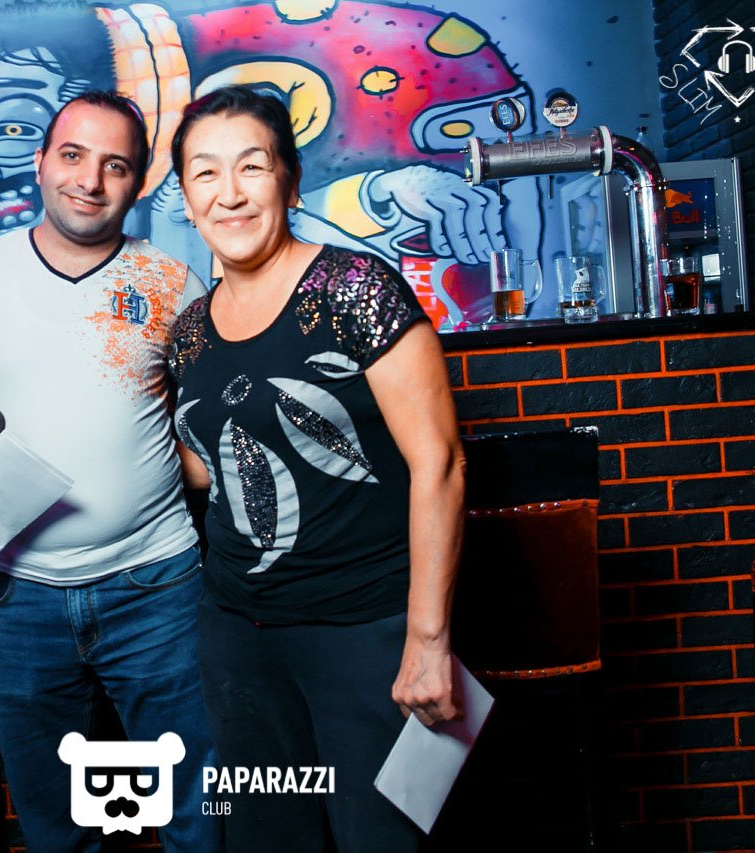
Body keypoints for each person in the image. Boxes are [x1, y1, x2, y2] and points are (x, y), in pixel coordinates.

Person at [0, 91, 217, 852]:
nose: (89, 180)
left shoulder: (173, 283)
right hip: (16, 594)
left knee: (199, 811)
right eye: (72, 156)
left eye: (115, 166)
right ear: (39, 163)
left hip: (156, 585)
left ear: (137, 183)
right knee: (56, 824)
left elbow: (211, 431)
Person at [167, 85, 466, 851]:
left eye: (252, 167)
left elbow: (438, 461)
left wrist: (427, 640)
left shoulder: (356, 290)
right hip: (238, 638)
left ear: (290, 182)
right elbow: (206, 471)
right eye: (205, 173)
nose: (230, 193)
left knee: (381, 838)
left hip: (363, 633)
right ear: (187, 200)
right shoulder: (190, 331)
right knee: (266, 839)